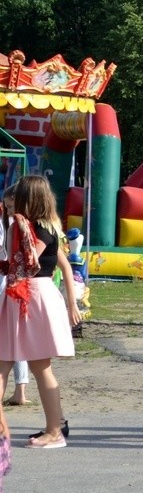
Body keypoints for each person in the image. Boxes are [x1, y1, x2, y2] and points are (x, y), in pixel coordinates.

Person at [0, 175, 82, 449]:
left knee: (38, 365)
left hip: (31, 295)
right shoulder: (42, 228)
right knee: (8, 363)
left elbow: (27, 262)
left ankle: (54, 431)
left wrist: (17, 229)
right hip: (23, 294)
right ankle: (52, 427)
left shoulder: (37, 229)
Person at [0, 187, 29, 407]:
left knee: (12, 342)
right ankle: (20, 390)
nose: (8, 210)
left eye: (10, 205)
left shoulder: (18, 225)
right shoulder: (12, 224)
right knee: (16, 341)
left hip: (12, 286)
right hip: (13, 284)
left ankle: (20, 390)